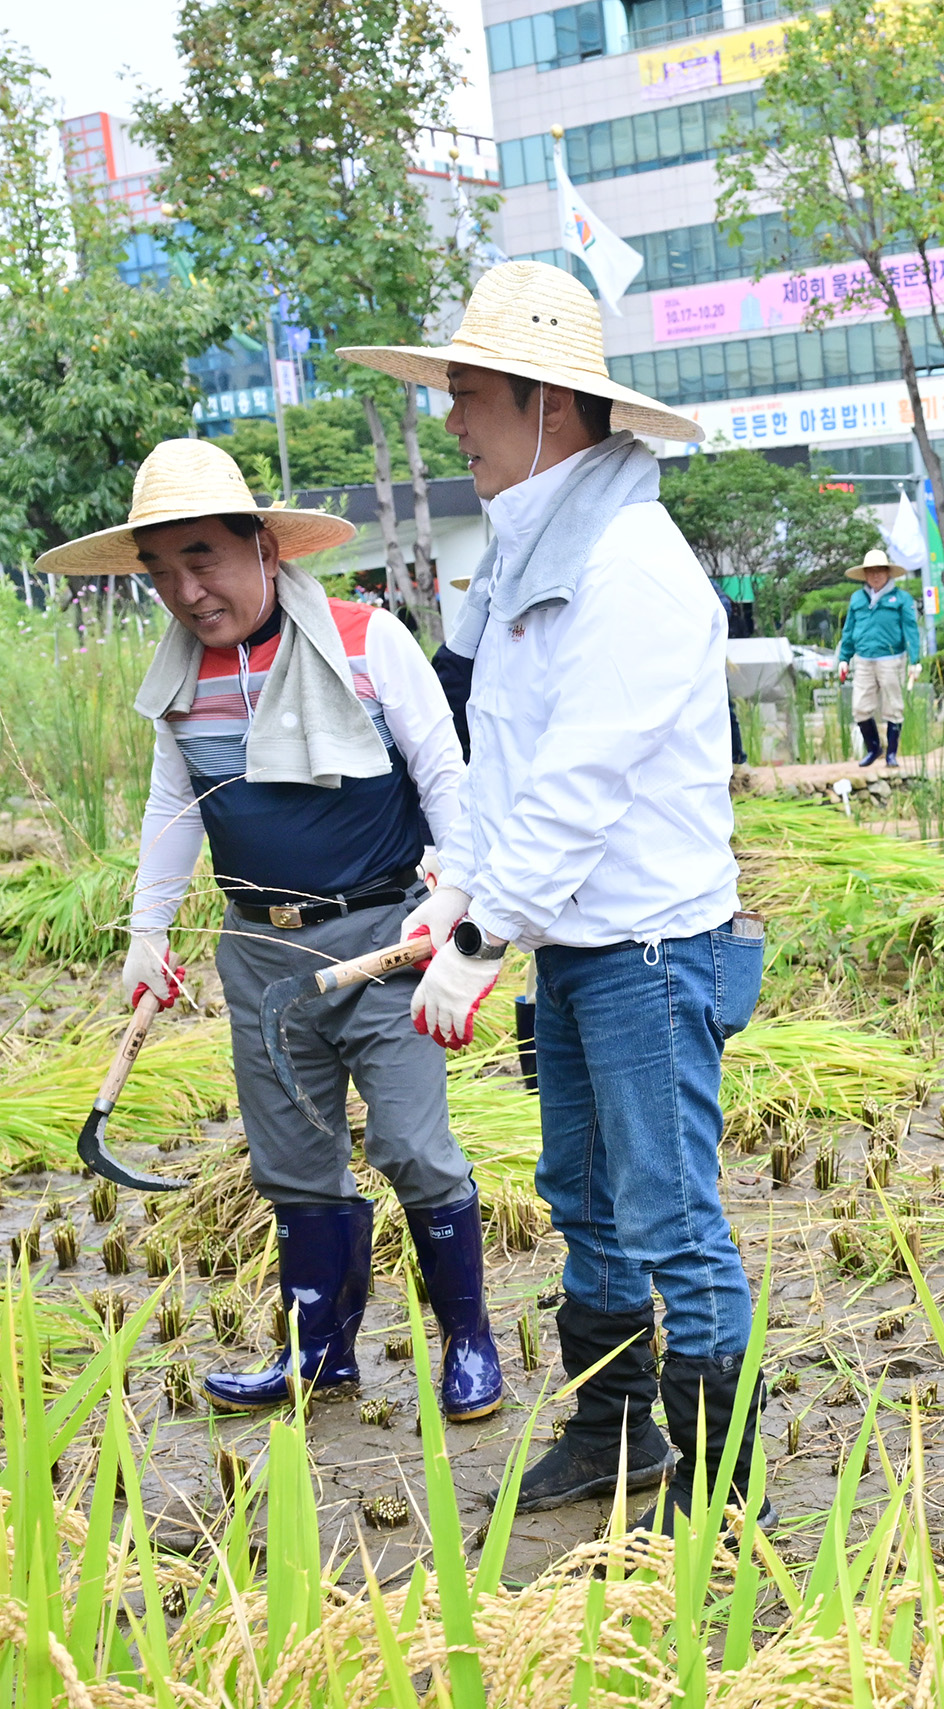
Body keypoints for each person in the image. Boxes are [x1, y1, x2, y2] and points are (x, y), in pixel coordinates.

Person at [341, 260, 768, 1532]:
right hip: (579, 952)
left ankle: (722, 1483)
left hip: (647, 951)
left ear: (547, 405)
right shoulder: (535, 554)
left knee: (669, 1211)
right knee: (585, 1194)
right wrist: (457, 892)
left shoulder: (630, 563)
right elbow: (507, 764)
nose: (454, 420)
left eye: (469, 395)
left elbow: (581, 784)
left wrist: (479, 940)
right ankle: (613, 1430)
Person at [38, 442, 501, 1426]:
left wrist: (455, 893)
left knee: (415, 1148)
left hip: (387, 941)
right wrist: (146, 929)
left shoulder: (368, 639)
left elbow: (448, 774)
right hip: (259, 958)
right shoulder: (181, 683)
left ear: (263, 546)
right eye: (160, 569)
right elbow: (177, 805)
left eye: (202, 556)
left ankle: (469, 1340)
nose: (185, 588)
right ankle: (317, 1355)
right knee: (293, 1162)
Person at [837, 547, 921, 768]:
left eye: (880, 571)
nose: (875, 575)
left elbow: (911, 629)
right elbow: (849, 630)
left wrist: (915, 660)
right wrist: (844, 657)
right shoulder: (857, 599)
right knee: (860, 707)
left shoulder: (901, 599)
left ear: (888, 573)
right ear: (865, 574)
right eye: (871, 571)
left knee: (893, 706)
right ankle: (874, 749)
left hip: (891, 658)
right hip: (864, 659)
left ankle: (891, 754)